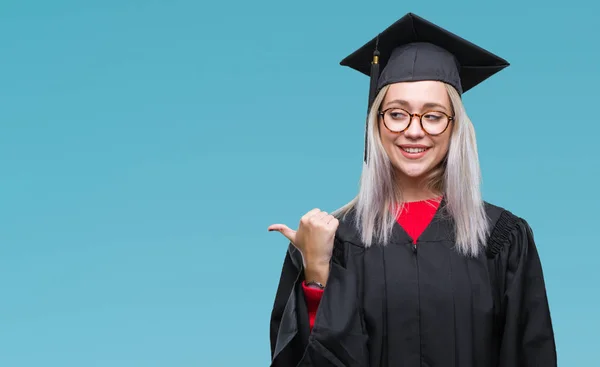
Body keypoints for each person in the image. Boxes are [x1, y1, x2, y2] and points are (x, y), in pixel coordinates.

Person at [267, 12, 557, 367]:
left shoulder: (501, 240)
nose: (414, 130)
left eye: (433, 115)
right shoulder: (335, 241)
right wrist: (316, 273)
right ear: (376, 123)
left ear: (455, 128)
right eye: (397, 113)